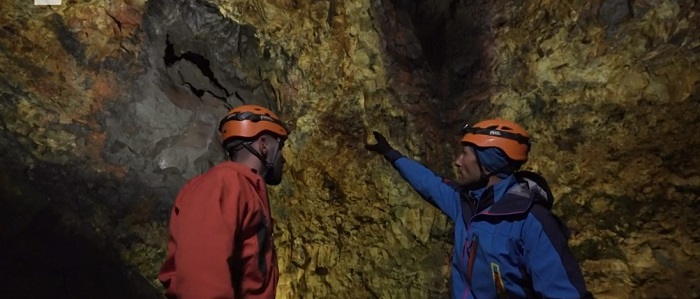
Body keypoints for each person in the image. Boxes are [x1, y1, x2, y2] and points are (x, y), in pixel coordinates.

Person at [366, 119, 592, 298]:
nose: (457, 161)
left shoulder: (531, 222)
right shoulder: (467, 203)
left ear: (488, 165)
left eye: (465, 154)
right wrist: (391, 154)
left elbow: (564, 292)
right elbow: (430, 184)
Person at [158, 104, 290, 298]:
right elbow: (202, 273)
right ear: (264, 145)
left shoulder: (246, 190)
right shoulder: (224, 183)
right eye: (280, 146)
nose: (283, 158)